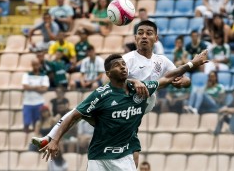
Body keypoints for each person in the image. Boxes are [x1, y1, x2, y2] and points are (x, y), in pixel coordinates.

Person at [31, 20, 192, 167]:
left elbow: (181, 78)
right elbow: (115, 80)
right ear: (135, 37)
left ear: (156, 38)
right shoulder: (128, 59)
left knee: (79, 113)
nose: (144, 36)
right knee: (79, 113)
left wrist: (183, 82)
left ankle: (53, 137)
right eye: (140, 33)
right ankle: (49, 138)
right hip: (124, 103)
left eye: (148, 33)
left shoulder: (162, 61)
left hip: (145, 102)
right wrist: (134, 81)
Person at [39, 52, 207, 170]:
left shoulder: (141, 89)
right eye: (117, 65)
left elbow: (168, 77)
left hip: (124, 157)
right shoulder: (101, 94)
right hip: (98, 157)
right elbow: (75, 115)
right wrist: (55, 140)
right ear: (108, 73)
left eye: (124, 64)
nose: (122, 67)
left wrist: (192, 63)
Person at [22, 59, 50, 132]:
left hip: (39, 102)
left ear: (40, 65)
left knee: (37, 124)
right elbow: (25, 87)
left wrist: (31, 87)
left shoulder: (44, 76)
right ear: (32, 65)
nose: (35, 67)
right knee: (26, 124)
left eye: (37, 65)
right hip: (27, 102)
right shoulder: (26, 75)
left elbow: (45, 89)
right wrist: (37, 87)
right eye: (34, 65)